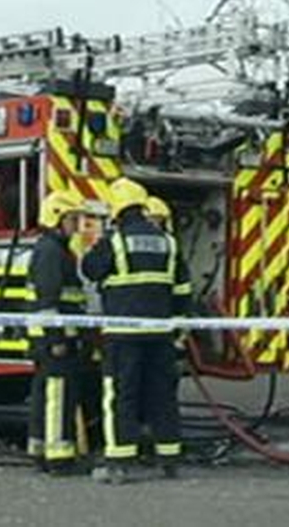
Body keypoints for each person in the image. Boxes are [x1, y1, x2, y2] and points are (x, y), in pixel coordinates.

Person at [81, 178, 192, 484]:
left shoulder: (115, 242)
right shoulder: (168, 242)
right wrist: (179, 326)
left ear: (117, 210)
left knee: (122, 396)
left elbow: (89, 269)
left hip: (123, 334)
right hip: (161, 334)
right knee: (162, 396)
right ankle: (169, 458)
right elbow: (183, 287)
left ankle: (119, 462)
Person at [26, 189, 88, 475]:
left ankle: (39, 450)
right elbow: (48, 300)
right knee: (58, 395)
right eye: (72, 219)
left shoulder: (54, 248)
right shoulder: (51, 251)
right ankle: (58, 457)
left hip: (50, 335)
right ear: (56, 218)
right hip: (54, 337)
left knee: (45, 393)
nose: (77, 225)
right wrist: (57, 339)